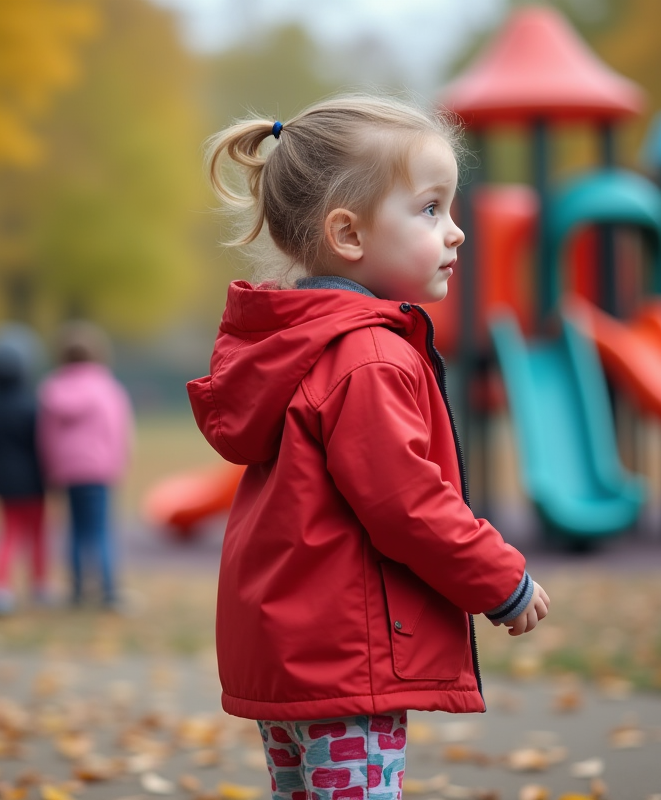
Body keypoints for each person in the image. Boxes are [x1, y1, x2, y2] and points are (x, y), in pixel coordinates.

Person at [188, 96, 550, 794]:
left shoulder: (295, 345)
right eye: (430, 209)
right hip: (346, 660)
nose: (457, 233)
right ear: (348, 235)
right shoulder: (369, 357)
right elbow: (406, 501)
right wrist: (498, 579)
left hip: (292, 650)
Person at [38, 322, 133, 609]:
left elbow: (46, 436)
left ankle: (77, 590)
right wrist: (118, 463)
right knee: (101, 530)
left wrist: (51, 469)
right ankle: (107, 590)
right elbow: (117, 430)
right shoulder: (106, 388)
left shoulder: (51, 390)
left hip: (68, 472)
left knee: (75, 530)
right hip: (99, 470)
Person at [0, 336, 48, 614]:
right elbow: (43, 443)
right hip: (34, 480)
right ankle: (39, 585)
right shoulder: (32, 405)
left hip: (3, 481)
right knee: (38, 534)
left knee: (6, 534)